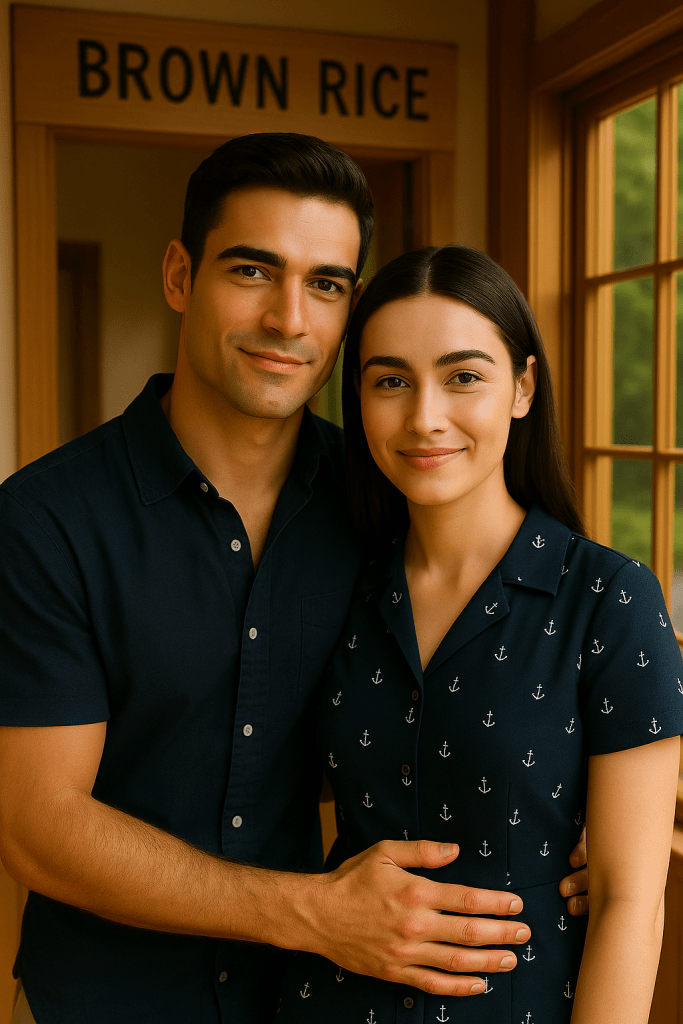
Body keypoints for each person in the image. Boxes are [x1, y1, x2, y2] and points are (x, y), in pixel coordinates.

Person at [0, 137, 586, 1024]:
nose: (289, 318)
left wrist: (545, 818)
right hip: (110, 1000)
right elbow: (37, 828)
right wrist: (312, 914)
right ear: (177, 274)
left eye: (326, 284)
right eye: (252, 271)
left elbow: (427, 717)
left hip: (325, 1004)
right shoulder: (45, 521)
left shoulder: (388, 501)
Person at [274, 244, 683, 1024]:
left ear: (522, 387)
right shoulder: (339, 586)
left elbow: (632, 900)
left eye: (463, 376)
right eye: (390, 381)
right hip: (329, 1001)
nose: (424, 416)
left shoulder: (607, 598)